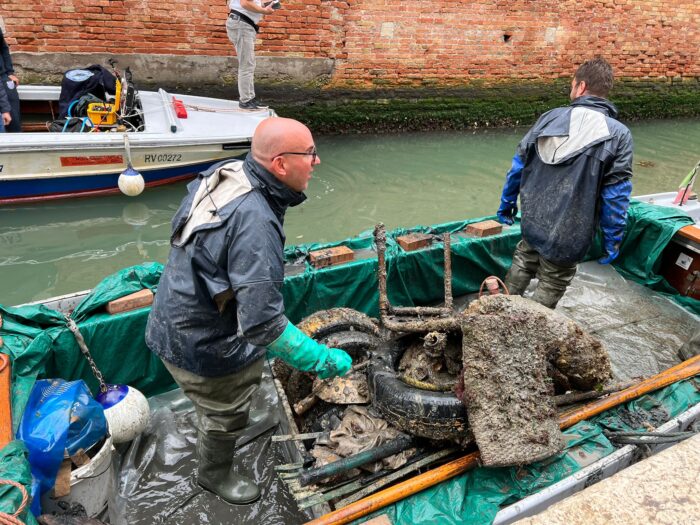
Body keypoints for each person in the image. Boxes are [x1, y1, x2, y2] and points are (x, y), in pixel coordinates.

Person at [145, 117, 352, 505]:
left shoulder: (233, 172)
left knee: (224, 400)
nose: (317, 161)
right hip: (201, 344)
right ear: (279, 164)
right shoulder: (255, 221)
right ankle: (213, 473)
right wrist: (324, 359)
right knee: (226, 413)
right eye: (309, 154)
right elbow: (263, 326)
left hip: (173, 312)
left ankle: (215, 413)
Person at [495, 57, 633, 309]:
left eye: (572, 85)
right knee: (553, 281)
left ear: (580, 87)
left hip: (533, 222)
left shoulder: (548, 118)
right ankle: (532, 329)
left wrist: (506, 206)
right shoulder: (619, 134)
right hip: (570, 234)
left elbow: (517, 168)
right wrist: (612, 239)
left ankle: (501, 309)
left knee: (524, 259)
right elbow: (616, 195)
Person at [226, 0, 277, 110]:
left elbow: (249, 3)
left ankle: (250, 98)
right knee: (247, 64)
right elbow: (245, 3)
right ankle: (245, 101)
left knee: (249, 64)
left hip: (242, 23)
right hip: (242, 25)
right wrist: (264, 11)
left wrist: (265, 4)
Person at [0, 28, 20, 132]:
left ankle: (17, 141)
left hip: (3, 76)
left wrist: (10, 72)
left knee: (13, 116)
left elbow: (3, 48)